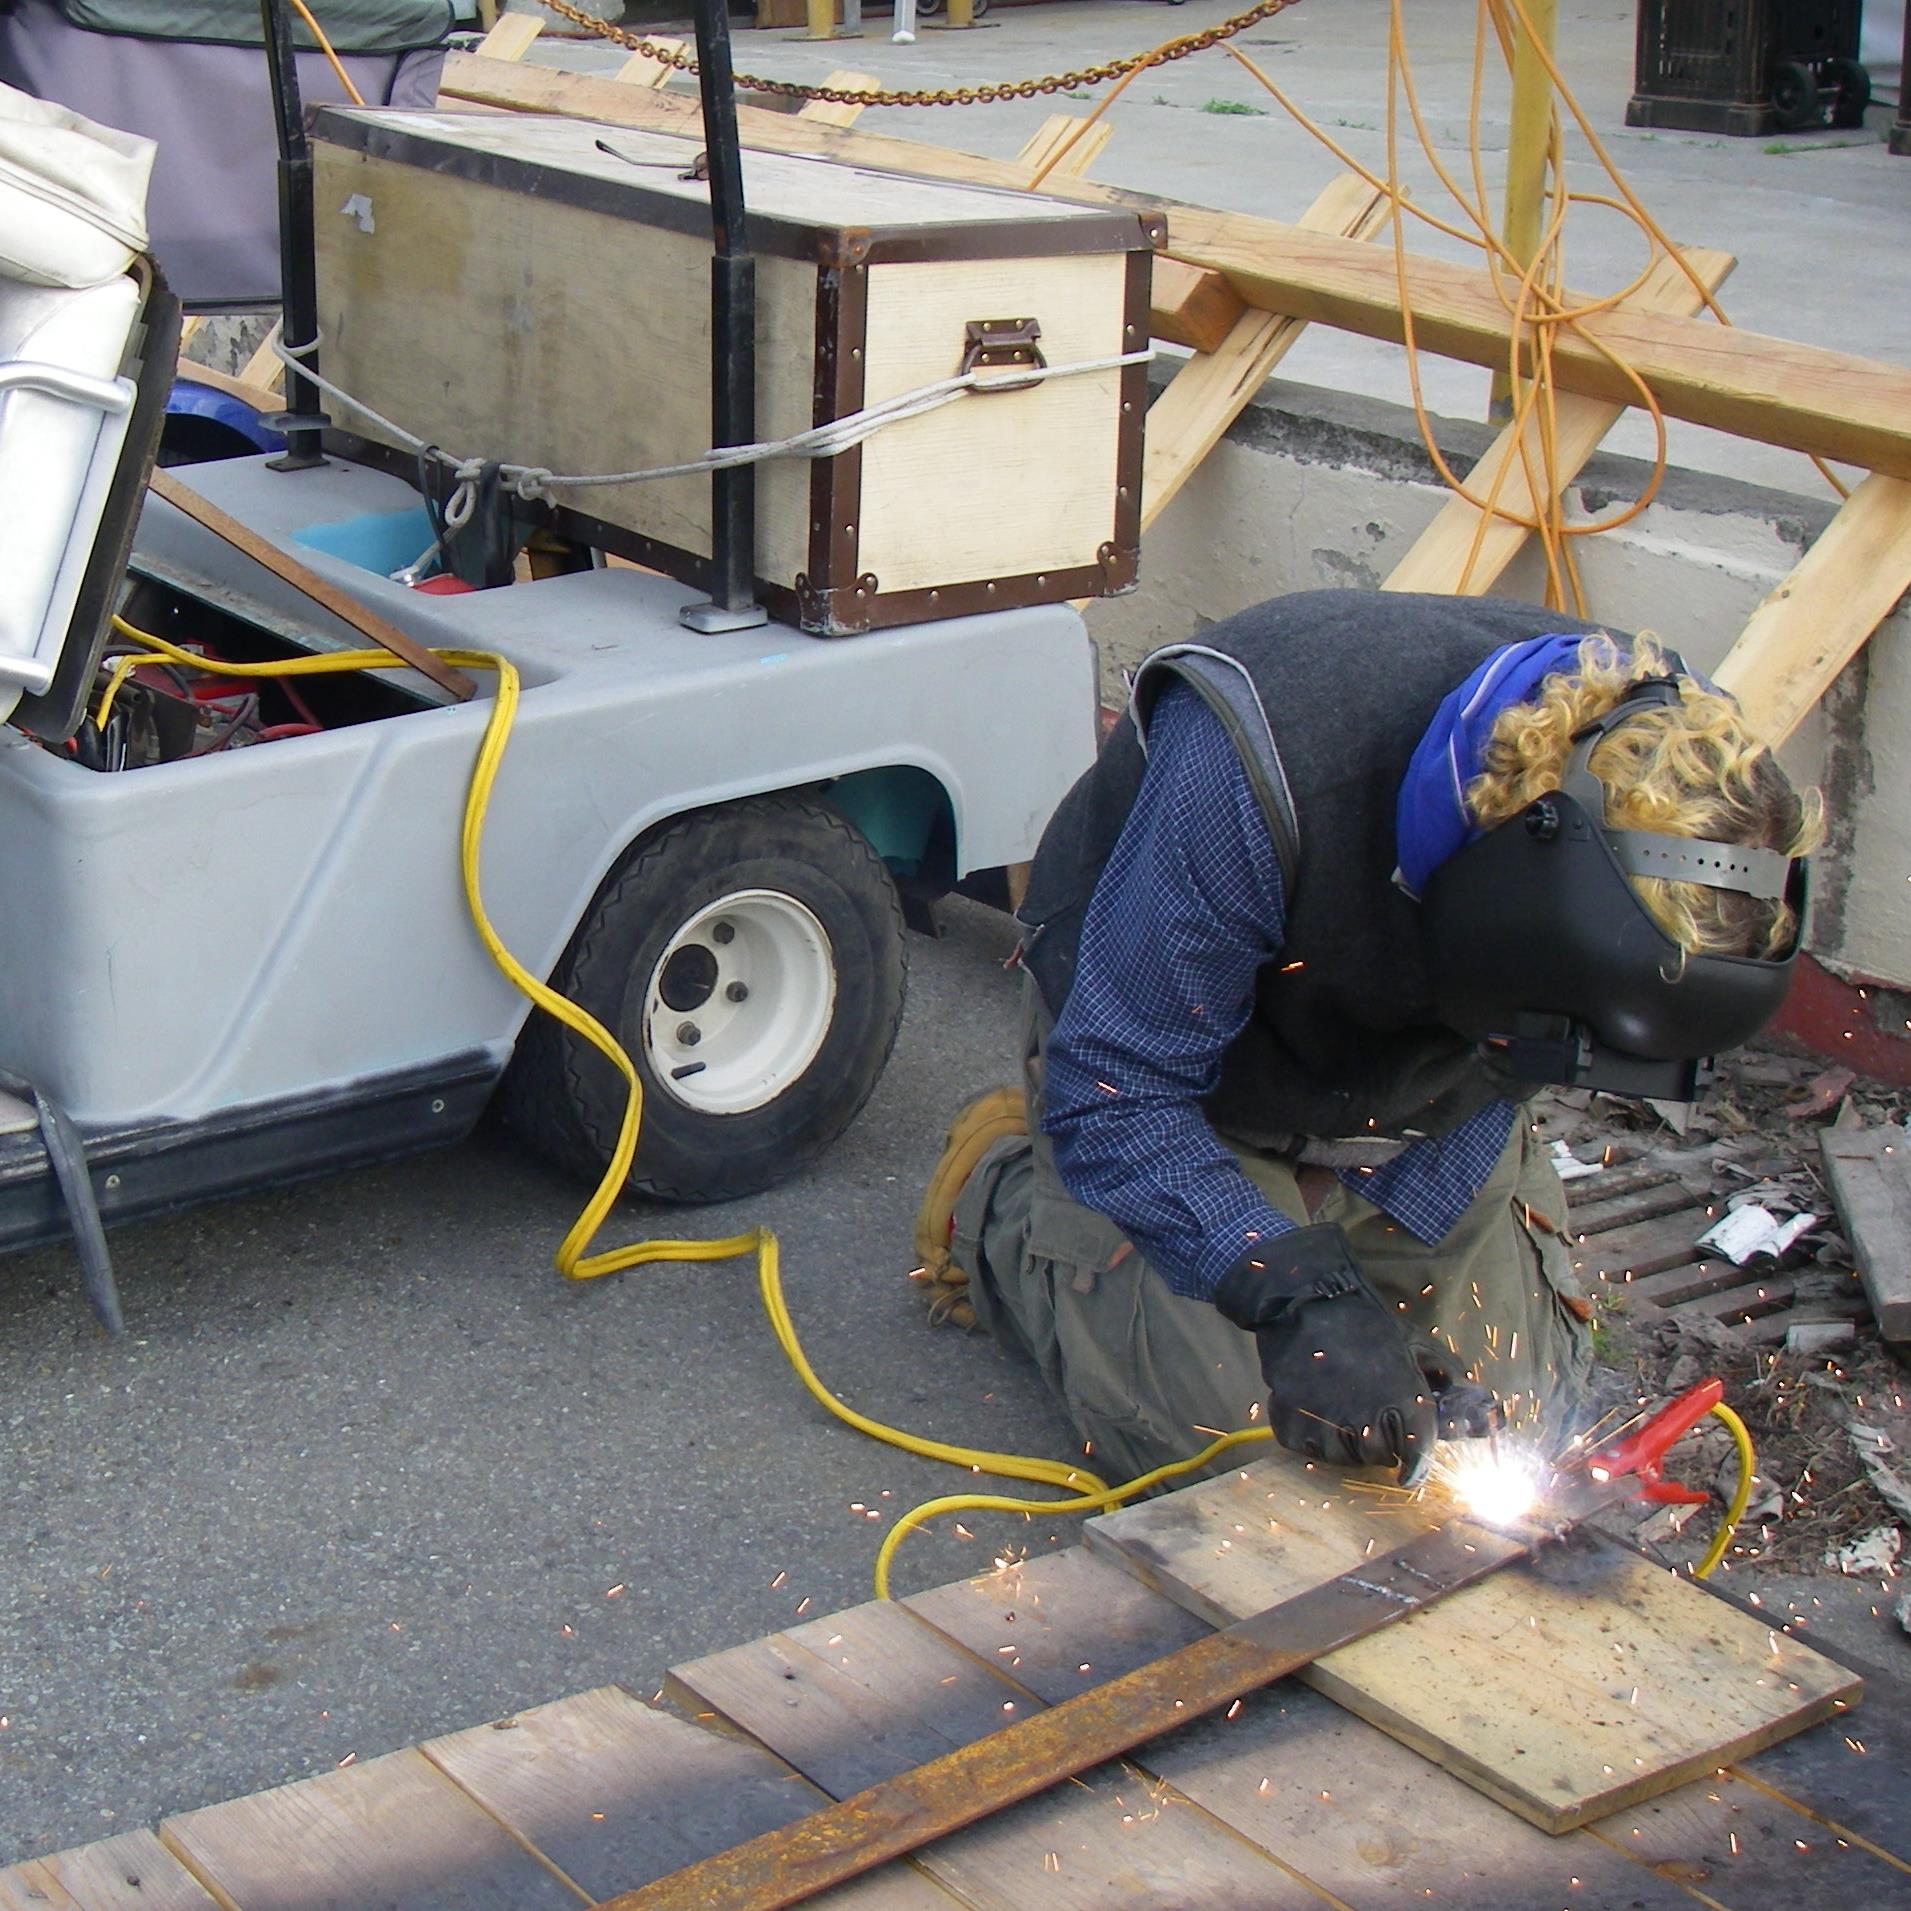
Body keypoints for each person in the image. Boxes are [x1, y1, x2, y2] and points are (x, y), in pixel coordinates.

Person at [912, 590, 1818, 1487]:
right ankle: (1003, 1202)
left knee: (1507, 1436)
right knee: (1227, 1456)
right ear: (1503, 894)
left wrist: (1384, 1307)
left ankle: (1337, 1230)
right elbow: (1122, 1081)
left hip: (1430, 1088)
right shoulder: (1260, 756)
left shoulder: (1702, 794)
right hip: (1186, 1076)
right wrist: (1292, 1289)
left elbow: (1524, 1046)